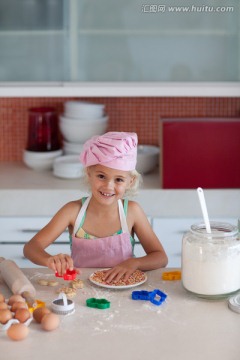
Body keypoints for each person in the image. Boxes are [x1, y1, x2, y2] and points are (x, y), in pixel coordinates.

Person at [24, 132, 168, 283]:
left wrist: (135, 263)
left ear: (130, 182)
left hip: (124, 293)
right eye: (101, 176)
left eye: (119, 179)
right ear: (89, 173)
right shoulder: (72, 211)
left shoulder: (132, 212)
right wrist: (49, 260)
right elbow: (31, 248)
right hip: (80, 291)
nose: (108, 186)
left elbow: (160, 257)